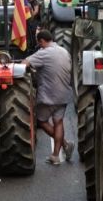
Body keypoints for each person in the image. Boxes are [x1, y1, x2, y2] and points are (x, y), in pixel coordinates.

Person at [24, 30, 75, 164]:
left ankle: (64, 145)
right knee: (58, 122)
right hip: (64, 94)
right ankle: (56, 155)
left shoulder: (44, 53)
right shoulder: (64, 51)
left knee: (41, 121)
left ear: (41, 41)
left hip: (48, 96)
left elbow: (24, 63)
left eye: (39, 43)